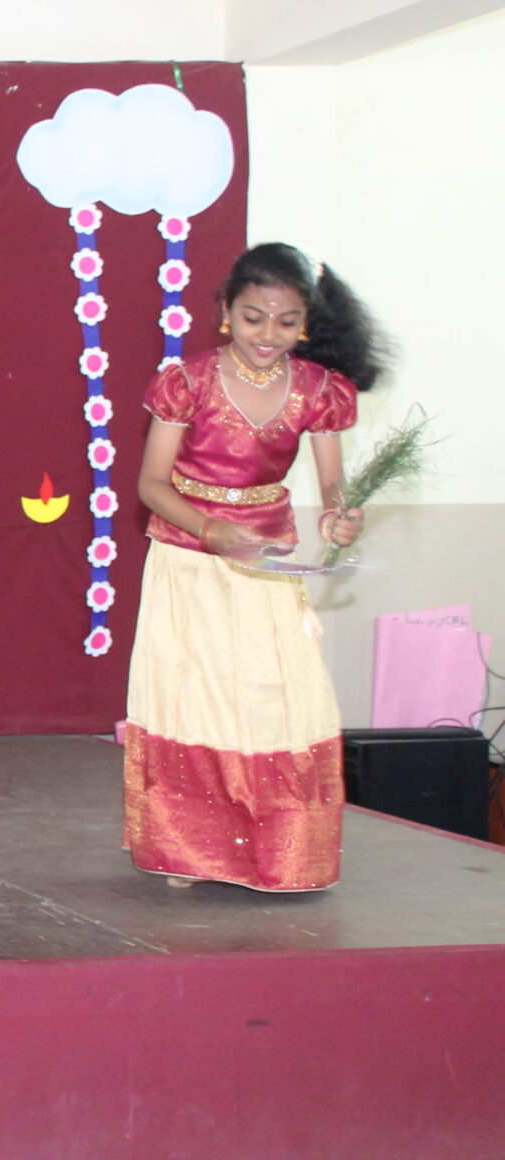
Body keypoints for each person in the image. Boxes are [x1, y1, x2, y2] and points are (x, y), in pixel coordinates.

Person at [125, 242, 383, 891]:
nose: (269, 335)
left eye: (286, 321)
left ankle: (281, 850)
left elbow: (332, 488)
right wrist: (214, 530)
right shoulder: (188, 382)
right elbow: (152, 485)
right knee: (196, 695)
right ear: (225, 315)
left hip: (267, 560)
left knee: (276, 697)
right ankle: (189, 850)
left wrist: (339, 517)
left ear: (305, 324)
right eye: (254, 318)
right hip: (190, 559)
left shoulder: (320, 392)